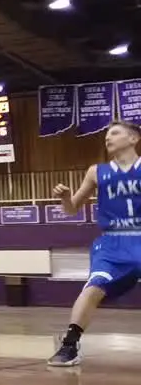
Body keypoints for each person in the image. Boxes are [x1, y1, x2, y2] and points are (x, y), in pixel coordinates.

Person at [48, 121, 141, 366]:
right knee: (93, 287)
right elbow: (71, 209)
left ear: (133, 139)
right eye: (106, 134)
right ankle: (70, 344)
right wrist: (66, 197)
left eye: (115, 133)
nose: (108, 138)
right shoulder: (95, 172)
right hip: (112, 242)